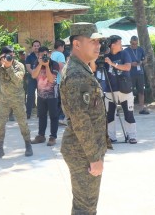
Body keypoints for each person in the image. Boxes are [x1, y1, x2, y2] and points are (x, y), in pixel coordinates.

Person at [60, 22, 107, 214]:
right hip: (83, 152)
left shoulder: (83, 68)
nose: (98, 46)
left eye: (98, 42)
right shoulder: (76, 73)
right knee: (85, 207)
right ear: (77, 44)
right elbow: (81, 120)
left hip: (85, 149)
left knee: (86, 204)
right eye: (92, 41)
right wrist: (94, 158)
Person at [0, 45, 33, 159]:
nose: (10, 57)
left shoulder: (19, 65)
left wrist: (9, 67)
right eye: (7, 55)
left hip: (17, 100)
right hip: (4, 101)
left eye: (11, 55)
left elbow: (18, 80)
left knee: (23, 123)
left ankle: (28, 145)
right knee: (0, 124)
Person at [104, 35, 137, 144]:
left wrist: (112, 64)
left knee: (129, 113)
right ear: (113, 45)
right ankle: (111, 136)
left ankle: (131, 135)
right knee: (110, 114)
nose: (122, 45)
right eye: (119, 43)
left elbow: (127, 67)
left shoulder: (124, 53)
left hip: (125, 88)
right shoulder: (106, 56)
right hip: (110, 89)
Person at [30, 46, 60, 146]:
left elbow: (51, 79)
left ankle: (53, 137)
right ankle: (41, 135)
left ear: (49, 54)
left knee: (53, 116)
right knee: (41, 116)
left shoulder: (54, 64)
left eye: (45, 55)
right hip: (41, 95)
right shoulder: (36, 62)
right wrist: (40, 64)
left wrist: (46, 66)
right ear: (38, 56)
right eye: (41, 55)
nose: (43, 57)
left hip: (52, 95)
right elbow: (34, 75)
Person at [124, 35, 149, 114]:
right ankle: (128, 107)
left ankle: (141, 107)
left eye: (136, 44)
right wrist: (131, 64)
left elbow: (145, 59)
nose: (134, 45)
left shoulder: (140, 49)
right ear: (130, 42)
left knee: (141, 91)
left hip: (140, 73)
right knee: (129, 91)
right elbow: (123, 62)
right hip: (130, 73)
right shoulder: (126, 50)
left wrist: (141, 62)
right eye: (133, 44)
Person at [50, 39, 67, 125]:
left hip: (53, 80)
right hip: (60, 80)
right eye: (63, 47)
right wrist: (64, 78)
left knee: (56, 100)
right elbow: (61, 67)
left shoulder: (52, 54)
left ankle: (55, 119)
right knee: (62, 100)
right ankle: (61, 118)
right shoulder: (60, 55)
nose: (64, 49)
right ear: (61, 46)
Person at [25, 40, 41, 119]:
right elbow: (28, 67)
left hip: (41, 79)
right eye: (35, 46)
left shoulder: (42, 56)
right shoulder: (29, 57)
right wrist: (34, 74)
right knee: (30, 95)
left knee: (40, 96)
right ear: (32, 47)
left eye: (38, 46)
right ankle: (28, 113)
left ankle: (40, 113)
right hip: (32, 78)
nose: (36, 47)